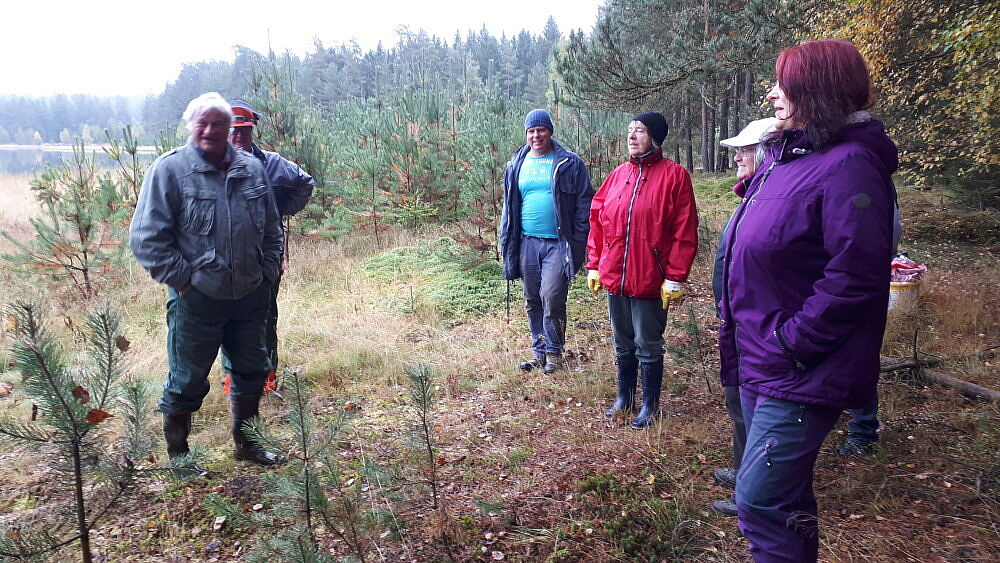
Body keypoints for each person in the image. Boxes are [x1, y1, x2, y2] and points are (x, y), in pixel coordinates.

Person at [718, 40, 897, 561]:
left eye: (785, 85)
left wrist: (790, 344)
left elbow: (854, 279)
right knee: (785, 497)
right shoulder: (794, 158)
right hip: (763, 358)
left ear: (817, 92)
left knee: (760, 501)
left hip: (798, 367)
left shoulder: (850, 166)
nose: (774, 94)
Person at [130, 92, 284, 467]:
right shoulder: (169, 171)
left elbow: (271, 229)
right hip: (197, 300)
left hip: (250, 296)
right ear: (190, 126)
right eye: (203, 123)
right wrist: (184, 281)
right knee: (187, 380)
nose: (210, 130)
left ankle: (247, 445)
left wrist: (266, 273)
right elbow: (146, 238)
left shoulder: (251, 169)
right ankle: (180, 458)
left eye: (219, 123)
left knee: (252, 370)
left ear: (231, 128)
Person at [586, 112, 699, 429]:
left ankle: (649, 405)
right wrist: (595, 264)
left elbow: (684, 230)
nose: (632, 136)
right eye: (630, 131)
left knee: (647, 343)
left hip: (651, 277)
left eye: (640, 131)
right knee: (622, 341)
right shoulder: (618, 174)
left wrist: (675, 276)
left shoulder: (675, 177)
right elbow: (598, 221)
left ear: (656, 138)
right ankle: (625, 398)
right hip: (616, 277)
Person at [221, 99, 315, 397]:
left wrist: (279, 209)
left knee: (264, 317)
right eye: (233, 130)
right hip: (224, 262)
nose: (238, 136)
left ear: (253, 130)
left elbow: (305, 183)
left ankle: (267, 375)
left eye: (244, 130)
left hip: (266, 261)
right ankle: (232, 378)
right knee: (226, 319)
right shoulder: (209, 164)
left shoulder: (273, 163)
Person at [708, 117, 776, 517]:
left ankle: (754, 494)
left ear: (766, 153)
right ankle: (742, 472)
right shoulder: (753, 193)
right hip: (738, 322)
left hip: (760, 326)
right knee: (739, 402)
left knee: (757, 410)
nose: (736, 155)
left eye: (745, 149)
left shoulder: (771, 196)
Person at [499, 109, 594, 374]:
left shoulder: (569, 162)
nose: (536, 135)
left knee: (552, 297)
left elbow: (584, 202)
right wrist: (506, 241)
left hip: (557, 244)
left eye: (540, 130)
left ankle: (554, 352)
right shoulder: (517, 162)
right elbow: (509, 205)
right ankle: (539, 352)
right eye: (531, 131)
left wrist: (578, 240)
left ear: (550, 131)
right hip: (527, 242)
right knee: (532, 300)